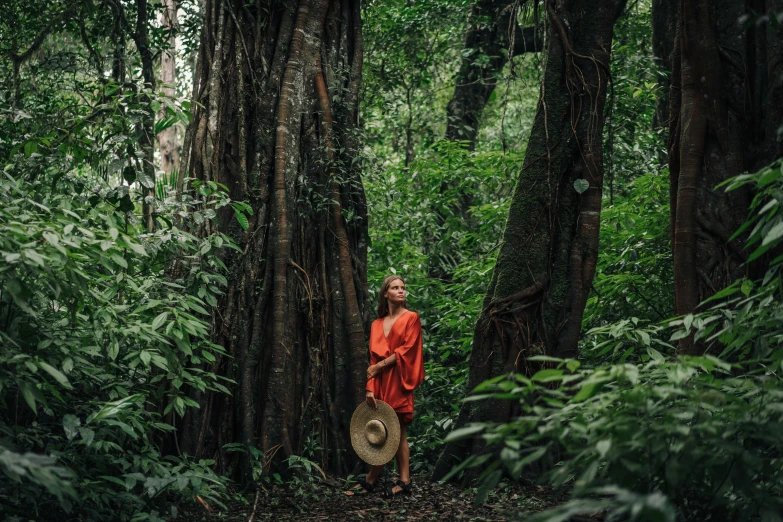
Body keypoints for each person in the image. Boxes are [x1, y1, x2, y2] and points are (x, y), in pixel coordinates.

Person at [344, 275, 425, 498]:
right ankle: (375, 478)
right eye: (395, 287)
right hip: (379, 381)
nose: (401, 291)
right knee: (381, 429)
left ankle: (399, 481)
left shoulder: (411, 318)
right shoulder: (376, 324)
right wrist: (370, 387)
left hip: (399, 379)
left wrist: (379, 366)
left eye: (403, 288)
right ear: (385, 293)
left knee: (398, 430)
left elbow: (407, 350)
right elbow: (372, 359)